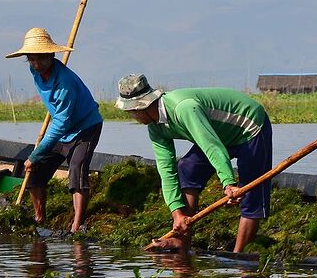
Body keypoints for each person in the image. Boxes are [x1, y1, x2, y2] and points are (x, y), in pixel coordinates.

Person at [115, 74, 273, 253]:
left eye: (131, 111)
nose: (131, 115)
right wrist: (177, 214)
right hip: (218, 134)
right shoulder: (155, 128)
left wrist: (228, 183)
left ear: (142, 106)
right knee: (186, 169)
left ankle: (238, 253)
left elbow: (211, 146)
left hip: (249, 126)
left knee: (251, 191)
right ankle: (183, 240)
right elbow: (166, 171)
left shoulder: (184, 108)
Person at [6, 28, 103, 233]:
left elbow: (60, 124)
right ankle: (40, 217)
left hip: (85, 127)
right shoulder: (35, 71)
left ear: (51, 55)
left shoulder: (65, 83)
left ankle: (77, 224)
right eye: (31, 59)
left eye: (41, 58)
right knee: (34, 172)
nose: (36, 64)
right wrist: (37, 158)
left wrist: (35, 153)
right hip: (63, 129)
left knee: (76, 169)